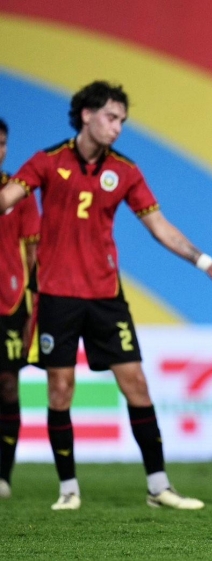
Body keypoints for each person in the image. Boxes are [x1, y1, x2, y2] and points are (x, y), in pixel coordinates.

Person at [0, 81, 212, 511]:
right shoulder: (47, 161)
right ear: (86, 115)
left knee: (136, 383)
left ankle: (158, 486)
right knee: (60, 389)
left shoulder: (127, 171)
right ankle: (69, 490)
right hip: (56, 297)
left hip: (105, 298)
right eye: (111, 118)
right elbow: (7, 197)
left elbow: (160, 227)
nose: (117, 128)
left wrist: (205, 263)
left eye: (122, 121)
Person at [0, 118, 40, 499]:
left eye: (1, 143)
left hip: (9, 304)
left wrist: (31, 306)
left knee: (8, 385)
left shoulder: (20, 195)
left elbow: (32, 254)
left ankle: (3, 476)